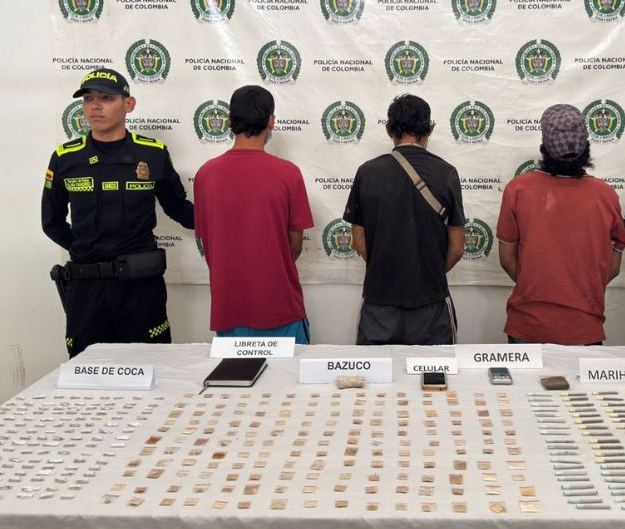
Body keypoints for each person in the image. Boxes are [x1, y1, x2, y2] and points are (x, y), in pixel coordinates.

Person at [42, 68, 194, 357]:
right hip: (86, 288)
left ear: (129, 104)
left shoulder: (152, 154)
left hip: (141, 287)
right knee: (87, 371)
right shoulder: (65, 158)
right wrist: (85, 250)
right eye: (88, 99)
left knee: (152, 364)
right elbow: (51, 222)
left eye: (106, 98)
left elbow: (178, 208)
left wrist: (226, 221)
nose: (95, 106)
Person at [497, 104, 625, 345]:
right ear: (586, 147)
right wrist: (579, 291)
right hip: (584, 328)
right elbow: (613, 267)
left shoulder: (518, 190)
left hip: (527, 325)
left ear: (543, 148)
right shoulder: (606, 195)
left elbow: (507, 260)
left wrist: (537, 287)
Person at [193, 85, 313, 342]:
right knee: (289, 369)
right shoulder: (289, 174)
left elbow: (207, 244)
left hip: (228, 308)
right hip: (280, 307)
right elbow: (295, 246)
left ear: (229, 119)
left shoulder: (205, 174)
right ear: (271, 121)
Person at [343, 94, 465, 345]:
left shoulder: (366, 172)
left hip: (378, 307)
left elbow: (358, 239)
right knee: (436, 372)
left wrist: (388, 270)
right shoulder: (447, 173)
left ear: (389, 130)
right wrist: (424, 274)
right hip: (431, 307)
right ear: (430, 128)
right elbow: (457, 248)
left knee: (376, 372)